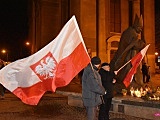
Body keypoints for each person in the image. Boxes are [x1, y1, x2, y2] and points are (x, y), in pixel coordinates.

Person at [110, 14, 146, 92]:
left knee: (130, 69)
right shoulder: (131, 32)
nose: (141, 30)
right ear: (135, 26)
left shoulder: (131, 32)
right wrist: (142, 43)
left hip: (129, 56)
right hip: (126, 56)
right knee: (127, 69)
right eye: (140, 28)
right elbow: (135, 44)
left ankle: (131, 82)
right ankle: (127, 83)